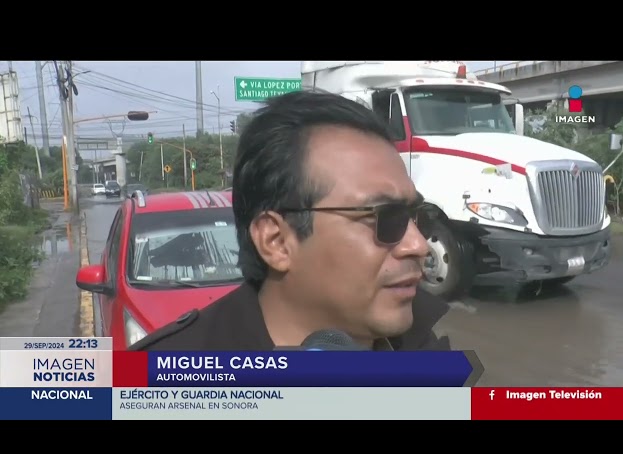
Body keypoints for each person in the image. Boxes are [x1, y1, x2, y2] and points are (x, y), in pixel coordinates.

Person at [129, 90, 451, 351]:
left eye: (414, 217)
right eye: (386, 218)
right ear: (277, 241)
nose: (418, 245)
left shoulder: (426, 351)